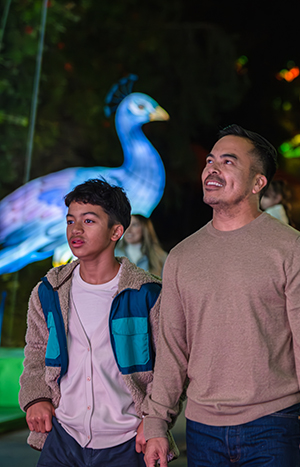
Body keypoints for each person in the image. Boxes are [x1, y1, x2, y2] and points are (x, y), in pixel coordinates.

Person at [142, 124, 300, 467]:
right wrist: (157, 419)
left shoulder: (292, 249)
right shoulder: (182, 256)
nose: (212, 168)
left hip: (274, 424)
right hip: (202, 429)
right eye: (210, 161)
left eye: (228, 162)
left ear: (258, 182)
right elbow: (171, 347)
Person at [19, 179, 178, 467]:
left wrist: (154, 423)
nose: (75, 230)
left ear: (116, 231)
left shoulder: (147, 294)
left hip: (128, 442)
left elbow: (170, 367)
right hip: (63, 439)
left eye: (88, 220)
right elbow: (35, 354)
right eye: (70, 221)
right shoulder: (49, 292)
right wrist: (36, 398)